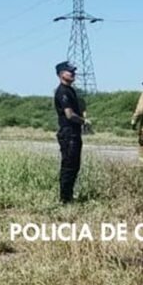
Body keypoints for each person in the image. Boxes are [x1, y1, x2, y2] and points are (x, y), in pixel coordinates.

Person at [54, 61, 88, 203]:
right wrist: (84, 121)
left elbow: (80, 107)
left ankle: (69, 196)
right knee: (68, 166)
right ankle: (64, 199)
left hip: (74, 133)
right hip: (68, 134)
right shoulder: (62, 91)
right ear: (62, 74)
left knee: (74, 166)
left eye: (73, 71)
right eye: (70, 71)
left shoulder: (71, 90)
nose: (73, 74)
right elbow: (69, 114)